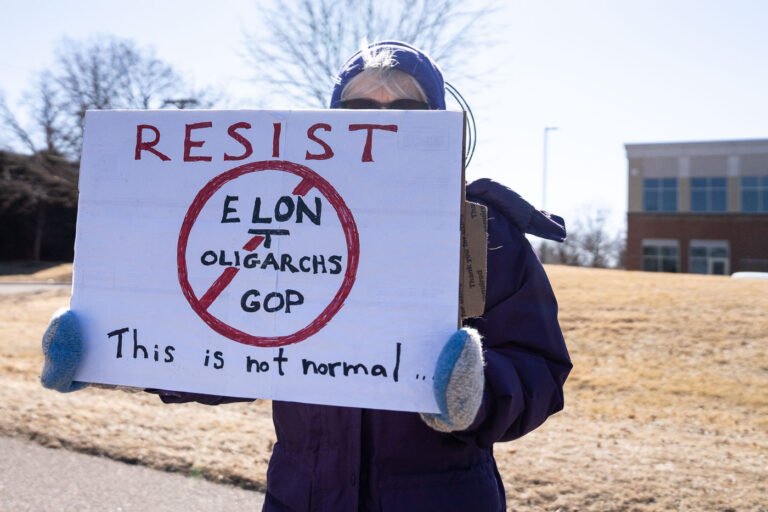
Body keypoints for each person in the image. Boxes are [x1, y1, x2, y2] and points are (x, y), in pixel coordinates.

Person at [41, 41, 571, 511]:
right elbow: (232, 348)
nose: (381, 124)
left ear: (439, 122)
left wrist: (474, 394)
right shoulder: (284, 219)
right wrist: (109, 347)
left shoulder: (481, 231)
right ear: (333, 122)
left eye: (408, 111)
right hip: (300, 495)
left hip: (444, 496)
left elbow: (539, 368)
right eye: (360, 109)